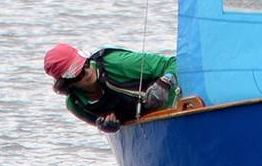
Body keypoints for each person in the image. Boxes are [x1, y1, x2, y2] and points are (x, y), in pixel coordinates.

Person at [44, 42, 178, 131]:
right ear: (66, 83)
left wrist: (165, 82)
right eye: (78, 74)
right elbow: (98, 123)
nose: (88, 72)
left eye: (85, 64)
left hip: (178, 108)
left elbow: (174, 62)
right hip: (149, 130)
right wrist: (107, 127)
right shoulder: (76, 104)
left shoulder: (117, 62)